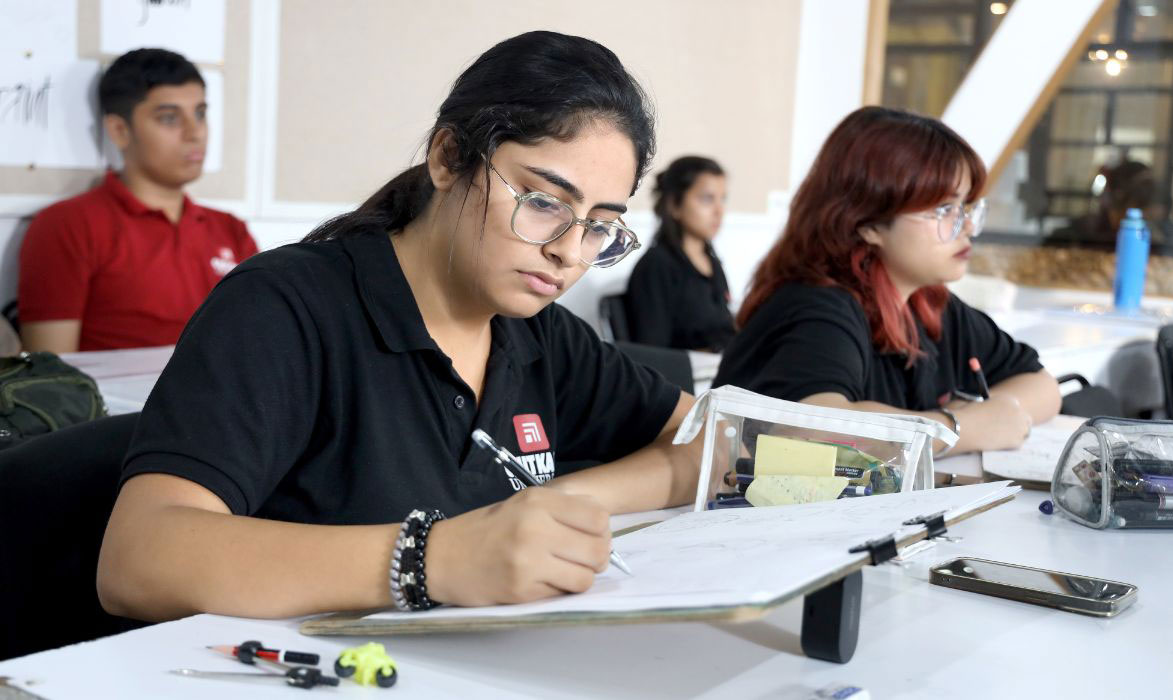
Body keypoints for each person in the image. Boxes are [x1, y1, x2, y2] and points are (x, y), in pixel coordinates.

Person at [98, 31, 701, 622]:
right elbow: (139, 561)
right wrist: (432, 558)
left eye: (598, 224)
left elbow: (713, 443)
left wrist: (560, 505)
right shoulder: (286, 308)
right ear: (448, 158)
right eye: (543, 202)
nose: (569, 253)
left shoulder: (538, 333)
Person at [714, 107, 1061, 455]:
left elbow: (1043, 386)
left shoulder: (929, 304)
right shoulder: (817, 305)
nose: (967, 227)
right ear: (868, 224)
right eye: (944, 210)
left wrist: (988, 417)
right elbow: (808, 429)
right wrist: (956, 427)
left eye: (965, 207)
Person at [18, 48, 258, 353]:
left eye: (200, 113)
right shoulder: (67, 225)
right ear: (119, 131)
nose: (194, 132)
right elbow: (51, 377)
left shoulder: (231, 230)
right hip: (121, 402)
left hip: (227, 400)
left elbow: (255, 347)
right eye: (170, 118)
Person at [623, 156, 735, 351]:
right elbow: (653, 350)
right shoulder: (657, 266)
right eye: (707, 199)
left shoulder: (712, 262)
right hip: (684, 377)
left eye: (722, 199)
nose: (719, 211)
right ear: (675, 204)